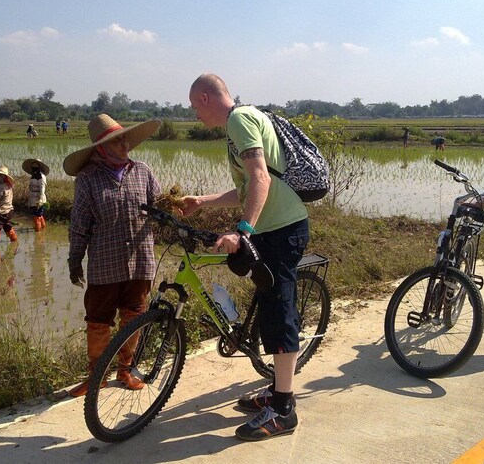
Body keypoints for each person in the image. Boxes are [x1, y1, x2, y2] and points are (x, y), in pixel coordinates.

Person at [180, 73, 309, 441]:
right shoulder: (241, 121)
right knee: (268, 306)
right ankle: (276, 390)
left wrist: (243, 231)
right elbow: (247, 186)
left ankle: (283, 409)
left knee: (279, 310)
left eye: (194, 107)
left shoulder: (239, 120)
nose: (195, 115)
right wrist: (203, 201)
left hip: (282, 230)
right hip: (274, 228)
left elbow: (261, 179)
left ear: (205, 97)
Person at [65, 114, 161, 397]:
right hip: (105, 263)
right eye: (116, 140)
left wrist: (174, 211)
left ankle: (126, 370)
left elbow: (158, 207)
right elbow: (79, 224)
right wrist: (74, 260)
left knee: (134, 317)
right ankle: (96, 377)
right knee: (98, 321)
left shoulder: (142, 171)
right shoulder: (88, 181)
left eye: (124, 138)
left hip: (141, 260)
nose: (124, 143)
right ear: (101, 148)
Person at [22, 158, 49, 232]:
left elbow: (42, 188)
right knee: (38, 214)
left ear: (39, 167)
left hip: (38, 197)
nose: (34, 167)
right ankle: (42, 229)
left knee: (37, 215)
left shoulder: (41, 176)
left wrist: (40, 199)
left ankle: (38, 232)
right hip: (33, 197)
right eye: (33, 166)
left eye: (36, 166)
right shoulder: (33, 175)